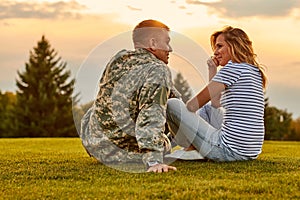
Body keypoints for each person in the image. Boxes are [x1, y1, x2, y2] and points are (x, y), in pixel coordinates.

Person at [79, 19, 179, 173]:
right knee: (167, 126)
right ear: (153, 43)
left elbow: (174, 96)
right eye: (167, 42)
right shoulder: (158, 69)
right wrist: (154, 160)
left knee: (94, 109)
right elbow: (151, 113)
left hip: (95, 145)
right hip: (123, 154)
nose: (170, 49)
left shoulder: (119, 59)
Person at [166, 26, 267, 162]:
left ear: (234, 46)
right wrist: (212, 69)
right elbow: (215, 104)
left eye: (220, 46)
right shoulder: (254, 70)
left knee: (172, 104)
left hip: (227, 150)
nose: (216, 52)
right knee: (208, 109)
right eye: (215, 48)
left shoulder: (233, 68)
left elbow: (192, 106)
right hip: (249, 152)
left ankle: (190, 148)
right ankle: (192, 149)